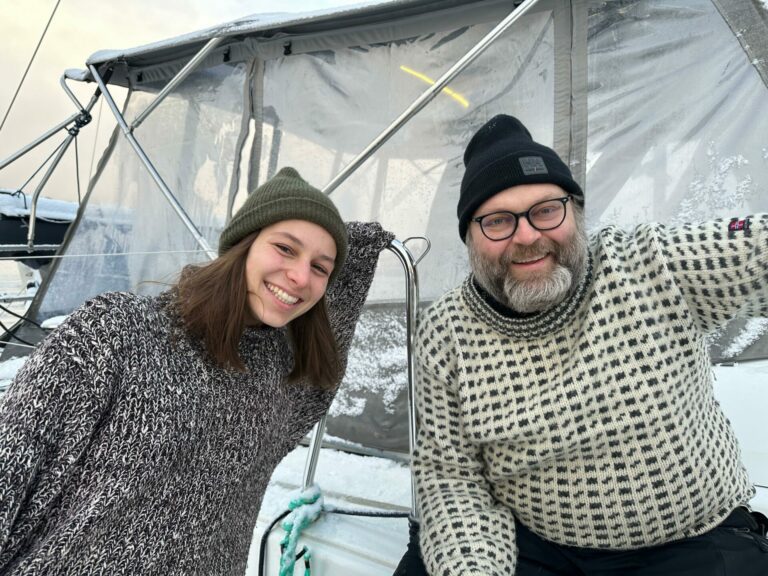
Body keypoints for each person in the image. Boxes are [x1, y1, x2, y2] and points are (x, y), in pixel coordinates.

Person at [411, 115, 768, 575]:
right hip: (534, 544)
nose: (527, 236)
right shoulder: (445, 330)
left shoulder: (649, 264)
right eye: (497, 221)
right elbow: (451, 475)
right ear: (469, 238)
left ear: (575, 211)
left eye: (545, 210)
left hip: (691, 542)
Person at [0, 166, 394, 575]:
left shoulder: (280, 381)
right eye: (285, 248)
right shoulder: (117, 331)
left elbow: (320, 382)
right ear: (243, 244)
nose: (299, 276)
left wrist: (357, 260)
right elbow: (9, 471)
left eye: (320, 268)